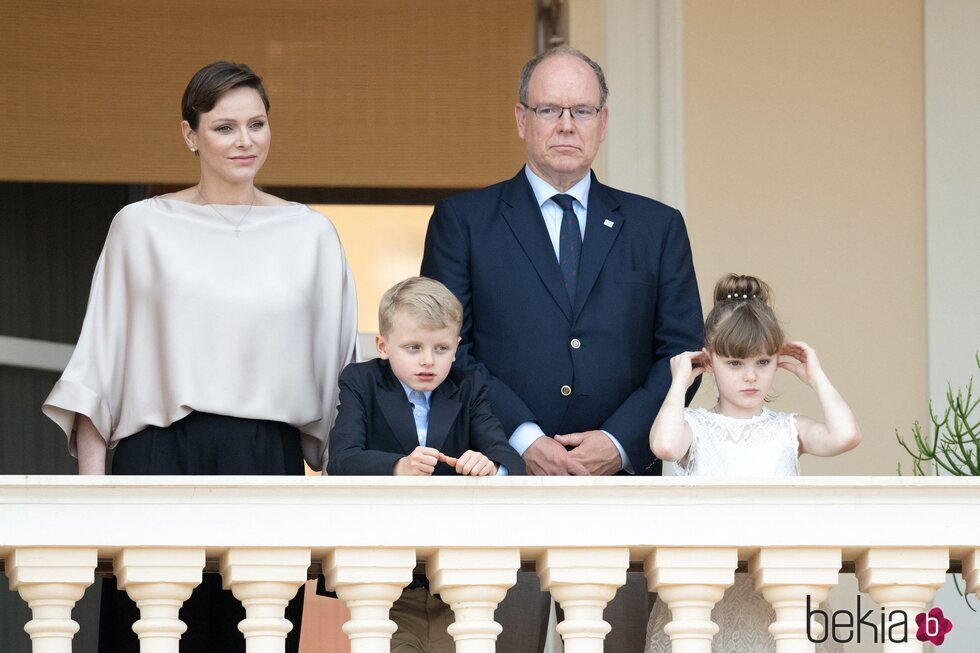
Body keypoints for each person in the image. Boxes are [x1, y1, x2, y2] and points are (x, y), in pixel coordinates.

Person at [41, 61, 358, 653]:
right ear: (190, 134)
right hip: (157, 456)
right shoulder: (140, 227)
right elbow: (98, 368)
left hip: (268, 460)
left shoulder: (311, 235)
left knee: (255, 638)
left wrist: (342, 493)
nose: (245, 141)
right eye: (224, 127)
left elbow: (343, 379)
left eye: (256, 124)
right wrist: (93, 504)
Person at [420, 46, 703, 652]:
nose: (567, 125)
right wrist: (523, 439)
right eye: (550, 109)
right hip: (499, 484)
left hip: (622, 494)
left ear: (604, 121)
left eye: (582, 110)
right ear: (522, 119)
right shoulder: (463, 221)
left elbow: (682, 355)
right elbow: (448, 350)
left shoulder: (658, 227)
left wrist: (619, 443)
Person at [645, 273, 861, 653]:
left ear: (778, 360)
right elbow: (664, 445)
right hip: (707, 605)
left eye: (763, 361)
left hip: (780, 604)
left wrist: (817, 376)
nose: (750, 375)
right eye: (734, 362)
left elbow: (845, 436)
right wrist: (678, 382)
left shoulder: (788, 429)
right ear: (709, 362)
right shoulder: (694, 426)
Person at [325, 276, 525, 653]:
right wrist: (398, 467)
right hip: (386, 578)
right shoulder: (361, 381)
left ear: (457, 347)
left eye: (442, 348)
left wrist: (490, 467)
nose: (429, 360)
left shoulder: (470, 387)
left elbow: (510, 460)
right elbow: (341, 460)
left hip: (457, 578)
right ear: (383, 346)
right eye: (413, 347)